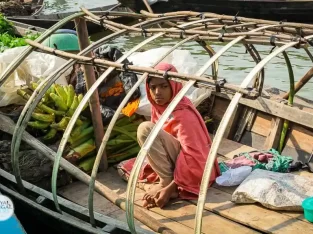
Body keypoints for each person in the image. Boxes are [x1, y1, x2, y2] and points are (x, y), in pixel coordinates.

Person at [137, 62, 220, 209]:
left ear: (174, 86)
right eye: (153, 87)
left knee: (145, 129)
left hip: (195, 165)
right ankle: (167, 180)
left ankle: (168, 182)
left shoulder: (183, 114)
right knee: (127, 165)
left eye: (164, 86)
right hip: (177, 160)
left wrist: (169, 188)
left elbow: (194, 155)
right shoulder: (159, 108)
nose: (157, 92)